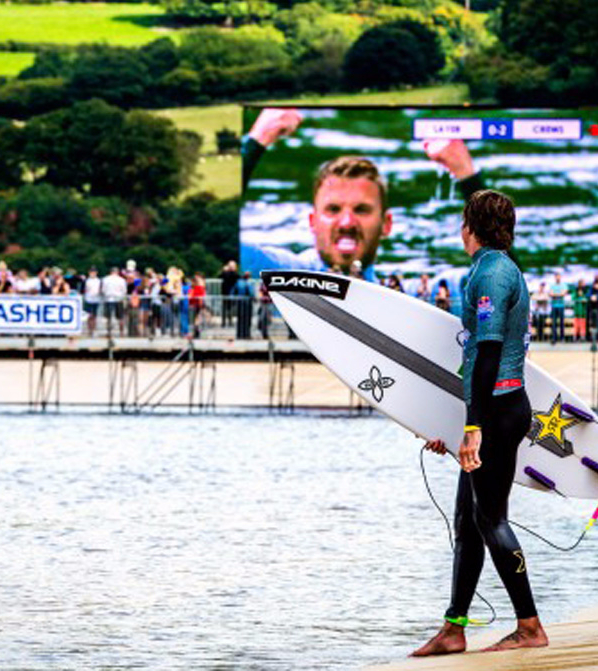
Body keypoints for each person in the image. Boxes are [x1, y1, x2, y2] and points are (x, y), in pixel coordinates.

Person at [414, 189, 545, 658]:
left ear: (469, 225)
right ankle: (454, 628)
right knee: (468, 522)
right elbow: (474, 359)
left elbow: (487, 354)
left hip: (499, 409)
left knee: (490, 518)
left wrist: (473, 427)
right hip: (497, 407)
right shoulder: (498, 267)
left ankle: (529, 625)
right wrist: (447, 422)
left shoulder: (491, 272)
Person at [240, 108, 486, 281]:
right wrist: (256, 140)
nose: (347, 223)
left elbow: (507, 289)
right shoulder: (275, 273)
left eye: (361, 210)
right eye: (333, 210)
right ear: (312, 223)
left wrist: (467, 176)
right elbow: (208, 237)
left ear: (386, 225)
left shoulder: (411, 295)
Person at [102, 267, 127, 337]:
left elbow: (103, 290)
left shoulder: (105, 279)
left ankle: (109, 332)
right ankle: (121, 332)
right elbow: (124, 290)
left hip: (109, 299)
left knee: (108, 317)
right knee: (120, 317)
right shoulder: (121, 280)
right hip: (118, 299)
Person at [233, 271, 255, 340]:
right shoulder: (248, 283)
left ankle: (239, 334)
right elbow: (251, 293)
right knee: (247, 320)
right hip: (247, 303)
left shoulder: (238, 282)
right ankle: (247, 334)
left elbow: (233, 292)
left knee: (240, 319)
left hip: (239, 303)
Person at [549, 274, 567, 342]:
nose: (557, 278)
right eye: (556, 276)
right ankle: (554, 338)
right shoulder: (552, 285)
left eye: (559, 276)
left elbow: (564, 293)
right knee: (554, 323)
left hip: (561, 306)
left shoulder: (563, 285)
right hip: (554, 306)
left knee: (561, 323)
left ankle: (562, 338)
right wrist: (559, 294)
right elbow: (550, 294)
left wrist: (555, 295)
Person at [83, 268, 101, 336]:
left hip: (96, 299)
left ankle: (93, 329)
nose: (93, 273)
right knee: (89, 315)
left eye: (94, 272)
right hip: (88, 299)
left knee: (94, 315)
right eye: (91, 272)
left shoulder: (99, 281)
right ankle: (89, 330)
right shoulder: (87, 281)